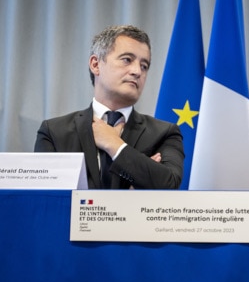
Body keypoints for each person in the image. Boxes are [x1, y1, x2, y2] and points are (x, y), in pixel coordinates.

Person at [35, 25, 184, 189]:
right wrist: (142, 171)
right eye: (127, 59)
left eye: (144, 66)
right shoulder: (55, 132)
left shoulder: (164, 133)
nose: (137, 71)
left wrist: (115, 145)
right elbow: (47, 200)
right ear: (95, 64)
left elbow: (168, 185)